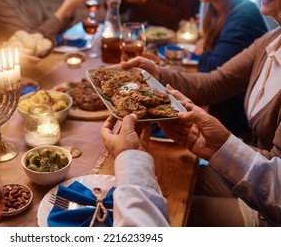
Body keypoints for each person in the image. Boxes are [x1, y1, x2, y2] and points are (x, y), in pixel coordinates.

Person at [101, 86, 281, 226]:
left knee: (175, 208)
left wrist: (129, 158)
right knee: (174, 179)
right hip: (268, 196)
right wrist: (222, 148)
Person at [194, 0, 268, 138]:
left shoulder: (243, 15)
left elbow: (211, 70)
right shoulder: (217, 8)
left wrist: (204, 51)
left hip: (240, 129)